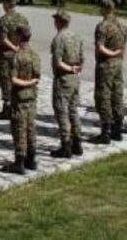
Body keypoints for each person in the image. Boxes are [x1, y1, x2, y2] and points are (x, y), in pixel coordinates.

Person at [6, 24, 40, 175]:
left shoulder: (16, 56)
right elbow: (37, 76)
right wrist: (31, 82)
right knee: (30, 127)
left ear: (19, 36)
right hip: (31, 97)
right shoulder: (34, 55)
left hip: (20, 98)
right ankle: (31, 159)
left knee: (19, 129)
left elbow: (13, 80)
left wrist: (26, 83)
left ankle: (19, 162)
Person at [50, 9, 84, 159]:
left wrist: (69, 69)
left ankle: (66, 145)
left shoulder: (59, 39)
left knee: (62, 112)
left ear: (59, 22)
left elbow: (58, 62)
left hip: (63, 78)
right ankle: (77, 142)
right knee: (73, 110)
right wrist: (75, 68)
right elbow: (82, 58)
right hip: (75, 78)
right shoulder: (77, 36)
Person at [92, 2, 127, 144]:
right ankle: (117, 129)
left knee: (103, 96)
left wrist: (110, 54)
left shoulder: (102, 26)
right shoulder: (122, 26)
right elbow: (123, 46)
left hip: (106, 64)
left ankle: (105, 131)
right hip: (118, 64)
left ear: (105, 9)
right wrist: (117, 54)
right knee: (117, 94)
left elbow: (100, 47)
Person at [0, 0, 28, 120]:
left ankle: (7, 109)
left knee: (6, 80)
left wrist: (14, 48)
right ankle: (17, 106)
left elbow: (4, 39)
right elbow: (26, 36)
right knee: (17, 79)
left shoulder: (4, 19)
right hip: (20, 54)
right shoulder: (23, 18)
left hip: (7, 54)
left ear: (7, 4)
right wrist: (20, 48)